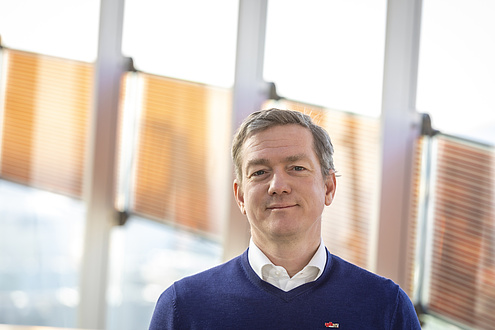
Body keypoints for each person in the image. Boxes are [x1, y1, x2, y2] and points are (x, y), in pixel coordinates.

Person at [149, 108, 421, 329]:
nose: (278, 185)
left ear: (328, 188)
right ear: (240, 196)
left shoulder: (386, 306)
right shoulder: (183, 308)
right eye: (260, 172)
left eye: (297, 168)